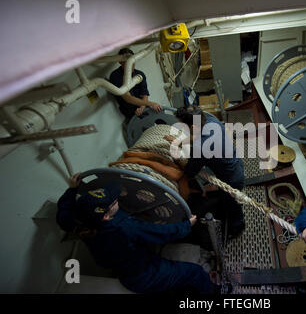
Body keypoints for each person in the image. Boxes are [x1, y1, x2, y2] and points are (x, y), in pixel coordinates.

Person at [56, 173, 220, 294]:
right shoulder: (124, 227)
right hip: (143, 275)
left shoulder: (78, 220)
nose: (117, 200)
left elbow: (62, 213)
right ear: (106, 216)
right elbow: (162, 232)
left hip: (121, 266)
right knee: (195, 273)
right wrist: (186, 225)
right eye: (114, 202)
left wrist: (71, 190)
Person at [164, 105, 245, 240]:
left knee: (232, 205)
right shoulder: (211, 122)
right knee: (228, 198)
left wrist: (176, 160)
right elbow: (197, 136)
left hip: (231, 179)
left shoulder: (200, 148)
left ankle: (238, 226)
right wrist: (179, 141)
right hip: (237, 164)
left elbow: (190, 171)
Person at [109, 48, 163, 124]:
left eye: (132, 62)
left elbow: (145, 94)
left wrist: (142, 107)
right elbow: (127, 98)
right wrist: (150, 104)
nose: (131, 65)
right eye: (126, 62)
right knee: (145, 128)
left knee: (161, 119)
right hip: (130, 112)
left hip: (143, 107)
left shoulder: (140, 74)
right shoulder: (115, 76)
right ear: (120, 62)